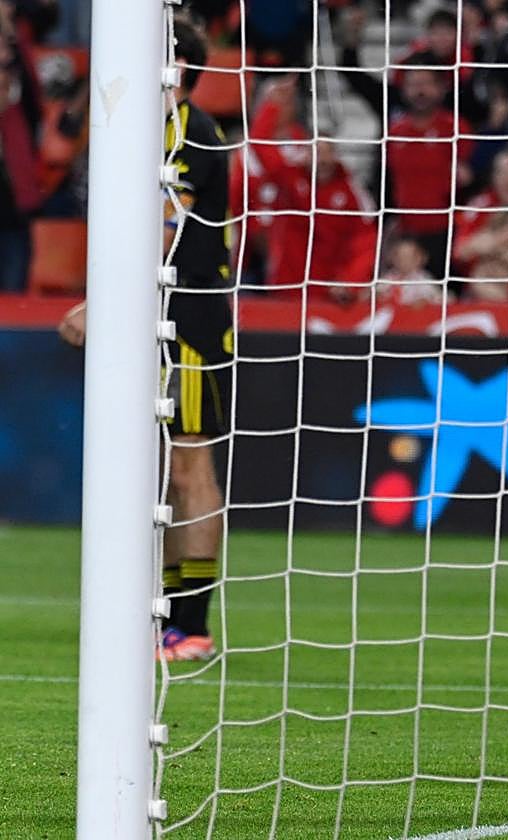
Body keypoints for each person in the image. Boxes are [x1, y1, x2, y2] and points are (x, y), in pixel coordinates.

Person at [58, 15, 230, 662]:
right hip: (147, 316)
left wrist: (94, 305)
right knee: (154, 473)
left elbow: (167, 235)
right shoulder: (144, 132)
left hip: (186, 318)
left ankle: (190, 622)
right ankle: (162, 613)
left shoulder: (190, 132)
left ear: (177, 65)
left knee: (189, 464)